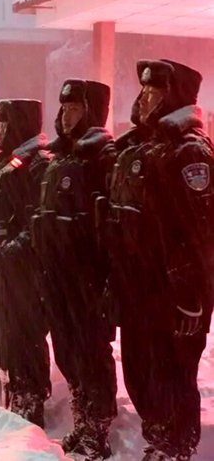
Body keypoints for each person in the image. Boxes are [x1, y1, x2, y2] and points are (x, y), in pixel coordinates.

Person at [104, 60, 214, 461]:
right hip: (140, 287)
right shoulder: (142, 146)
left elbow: (199, 231)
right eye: (145, 91)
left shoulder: (189, 151)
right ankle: (158, 439)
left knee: (172, 375)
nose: (146, 98)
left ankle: (175, 448)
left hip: (172, 292)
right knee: (141, 372)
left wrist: (189, 295)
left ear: (175, 98)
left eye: (156, 92)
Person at [33, 80, 117, 459]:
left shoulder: (103, 157)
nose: (67, 116)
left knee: (91, 352)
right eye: (64, 109)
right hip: (58, 275)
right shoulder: (60, 158)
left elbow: (110, 225)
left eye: (76, 109)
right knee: (67, 352)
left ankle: (97, 429)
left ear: (92, 111)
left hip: (88, 278)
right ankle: (83, 421)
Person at [0, 99, 51, 427]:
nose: (3, 130)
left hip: (27, 268)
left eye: (8, 124)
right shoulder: (6, 161)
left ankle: (31, 395)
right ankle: (18, 387)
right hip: (5, 263)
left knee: (26, 332)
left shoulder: (37, 164)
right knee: (9, 330)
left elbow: (37, 218)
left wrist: (14, 247)